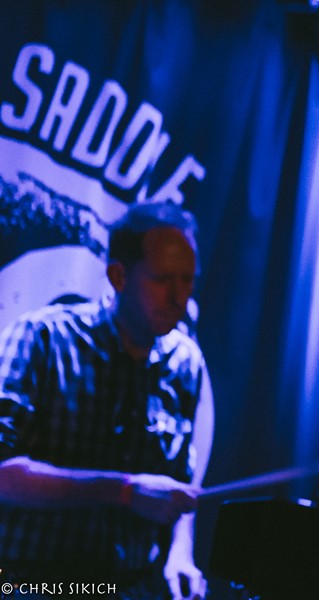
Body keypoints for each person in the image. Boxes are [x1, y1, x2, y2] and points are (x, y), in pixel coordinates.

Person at [0, 201, 214, 599]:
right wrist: (123, 490)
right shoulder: (41, 337)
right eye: (162, 279)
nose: (179, 297)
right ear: (118, 276)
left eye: (187, 280)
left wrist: (180, 553)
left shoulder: (185, 362)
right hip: (30, 580)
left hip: (129, 586)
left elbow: (179, 486)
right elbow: (3, 475)